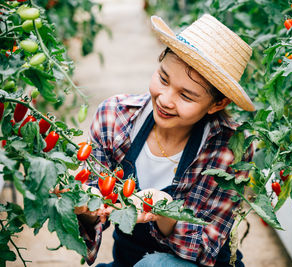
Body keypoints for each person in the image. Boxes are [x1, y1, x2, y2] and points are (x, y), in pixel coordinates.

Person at [77, 14, 255, 267]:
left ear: (218, 103)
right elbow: (94, 215)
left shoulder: (230, 147)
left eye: (186, 96)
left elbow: (205, 251)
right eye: (163, 79)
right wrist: (86, 211)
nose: (165, 100)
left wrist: (165, 211)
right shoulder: (114, 118)